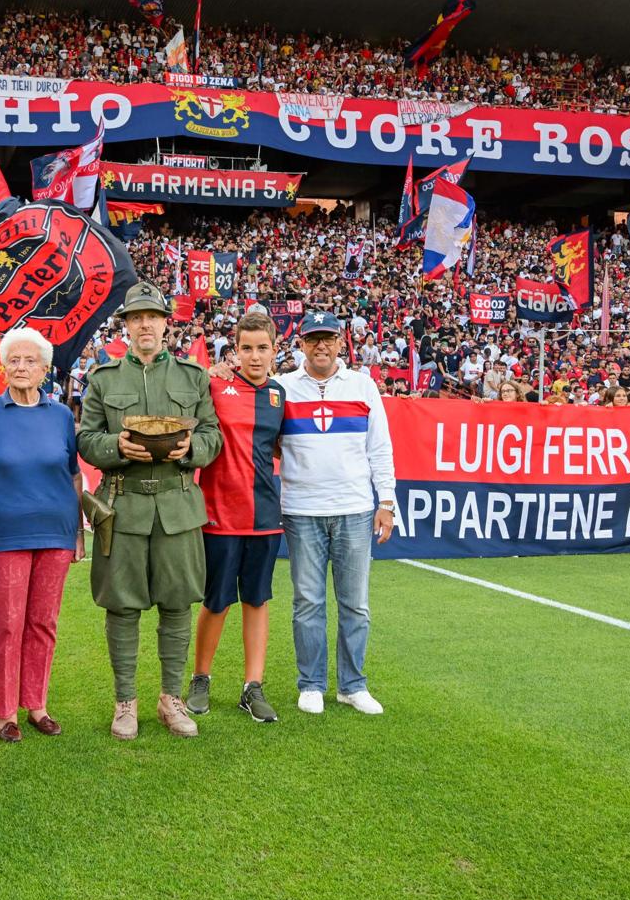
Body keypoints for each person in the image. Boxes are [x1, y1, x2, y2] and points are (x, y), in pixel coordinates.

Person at [78, 281, 222, 740]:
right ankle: (126, 701)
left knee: (177, 604)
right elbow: (86, 439)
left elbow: (213, 436)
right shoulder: (103, 379)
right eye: (136, 317)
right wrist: (117, 446)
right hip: (122, 505)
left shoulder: (192, 377)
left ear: (165, 324)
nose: (145, 325)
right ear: (126, 326)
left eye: (153, 317)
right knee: (122, 606)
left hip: (178, 504)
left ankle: (170, 699)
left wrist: (189, 449)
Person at [0, 326, 83, 742]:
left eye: (30, 360)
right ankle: (5, 712)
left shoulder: (62, 415)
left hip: (56, 532)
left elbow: (73, 474)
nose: (20, 367)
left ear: (44, 369)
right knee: (8, 623)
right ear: (2, 366)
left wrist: (78, 531)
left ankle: (37, 705)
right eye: (13, 359)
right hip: (6, 533)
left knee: (43, 622)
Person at [277, 310, 394, 717]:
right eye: (313, 339)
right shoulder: (283, 388)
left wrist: (386, 502)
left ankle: (352, 686)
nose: (321, 346)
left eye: (328, 338)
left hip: (355, 509)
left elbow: (380, 448)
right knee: (307, 602)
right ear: (301, 344)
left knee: (355, 604)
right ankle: (311, 684)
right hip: (302, 510)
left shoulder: (363, 385)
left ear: (341, 343)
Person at [187, 311, 285, 724]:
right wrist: (206, 371)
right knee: (217, 600)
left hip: (265, 516)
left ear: (275, 350)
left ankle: (252, 687)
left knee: (257, 599)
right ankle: (200, 679)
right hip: (220, 515)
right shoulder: (214, 386)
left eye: (262, 348)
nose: (255, 356)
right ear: (235, 350)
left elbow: (282, 447)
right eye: (247, 348)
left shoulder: (280, 395)